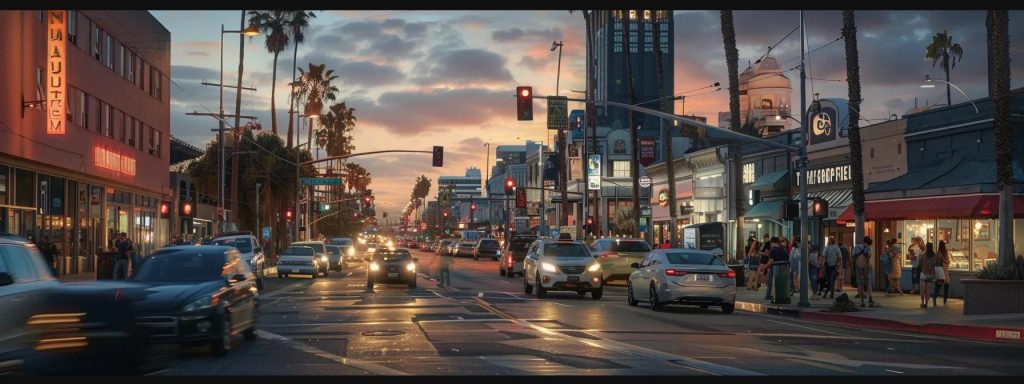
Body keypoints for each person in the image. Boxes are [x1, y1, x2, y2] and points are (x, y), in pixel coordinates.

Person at [764, 237, 789, 301]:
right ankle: (784, 295)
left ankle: (768, 294)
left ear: (774, 243)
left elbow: (771, 261)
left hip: (774, 268)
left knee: (770, 280)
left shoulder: (773, 250)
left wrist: (764, 267)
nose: (771, 245)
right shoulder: (783, 250)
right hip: (784, 269)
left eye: (771, 244)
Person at [852, 236, 875, 307]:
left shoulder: (856, 248)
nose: (868, 245)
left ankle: (863, 301)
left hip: (859, 267)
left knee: (861, 284)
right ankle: (868, 298)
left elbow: (853, 258)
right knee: (867, 283)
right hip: (866, 268)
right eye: (868, 244)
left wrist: (853, 268)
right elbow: (869, 258)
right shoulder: (869, 248)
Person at [919, 242, 938, 308]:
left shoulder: (923, 255)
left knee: (922, 289)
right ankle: (926, 303)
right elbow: (936, 264)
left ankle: (922, 302)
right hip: (931, 274)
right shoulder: (934, 256)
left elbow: (920, 263)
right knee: (928, 290)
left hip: (924, 274)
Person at [934, 240, 952, 305]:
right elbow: (948, 262)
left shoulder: (937, 253)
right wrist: (944, 259)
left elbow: (935, 263)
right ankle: (945, 300)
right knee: (946, 287)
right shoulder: (945, 253)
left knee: (938, 286)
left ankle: (935, 297)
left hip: (939, 272)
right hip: (945, 272)